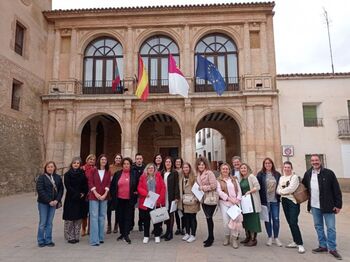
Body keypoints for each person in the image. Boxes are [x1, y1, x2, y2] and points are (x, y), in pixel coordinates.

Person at [302, 154, 343, 260]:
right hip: (315, 206)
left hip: (328, 205)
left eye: (316, 160)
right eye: (312, 160)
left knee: (331, 228)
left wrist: (338, 205)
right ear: (310, 162)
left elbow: (336, 190)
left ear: (320, 161)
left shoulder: (329, 173)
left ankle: (332, 248)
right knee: (318, 226)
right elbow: (303, 187)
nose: (315, 162)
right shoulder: (308, 174)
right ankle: (323, 246)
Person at [276, 161, 305, 254]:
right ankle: (295, 241)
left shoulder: (294, 177)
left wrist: (281, 191)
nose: (286, 169)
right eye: (285, 167)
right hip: (284, 201)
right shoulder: (281, 178)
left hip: (293, 201)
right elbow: (277, 189)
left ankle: (300, 244)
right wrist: (282, 191)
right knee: (290, 222)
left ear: (291, 168)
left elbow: (291, 188)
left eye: (288, 167)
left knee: (293, 222)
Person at [110, 157, 138, 244]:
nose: (126, 165)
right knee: (120, 217)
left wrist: (135, 194)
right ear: (122, 165)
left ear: (130, 165)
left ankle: (126, 234)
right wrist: (113, 197)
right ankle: (122, 233)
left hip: (129, 200)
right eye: (124, 164)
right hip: (119, 199)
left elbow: (137, 185)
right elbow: (113, 186)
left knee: (128, 217)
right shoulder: (117, 174)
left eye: (128, 164)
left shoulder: (134, 174)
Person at [36, 161, 64, 247]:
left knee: (49, 222)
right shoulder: (41, 178)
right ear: (45, 168)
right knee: (43, 222)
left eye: (52, 167)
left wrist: (57, 200)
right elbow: (40, 191)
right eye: (48, 167)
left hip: (54, 203)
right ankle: (41, 240)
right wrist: (49, 201)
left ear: (54, 168)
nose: (50, 168)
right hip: (43, 203)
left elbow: (61, 190)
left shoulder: (58, 177)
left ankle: (48, 240)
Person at [256, 158, 282, 247]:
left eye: (269, 163)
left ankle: (276, 237)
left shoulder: (277, 174)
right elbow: (258, 188)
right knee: (267, 220)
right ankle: (270, 237)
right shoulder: (260, 175)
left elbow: (281, 185)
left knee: (276, 219)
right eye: (266, 163)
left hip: (275, 201)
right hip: (265, 201)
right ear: (264, 165)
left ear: (272, 164)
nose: (268, 165)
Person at [137, 163, 166, 244]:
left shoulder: (158, 176)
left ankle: (157, 235)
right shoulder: (143, 177)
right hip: (146, 202)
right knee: (146, 220)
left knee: (156, 220)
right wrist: (146, 193)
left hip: (156, 201)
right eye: (149, 168)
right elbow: (139, 187)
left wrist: (159, 199)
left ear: (154, 169)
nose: (150, 169)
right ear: (147, 169)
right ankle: (146, 236)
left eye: (152, 168)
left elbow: (163, 187)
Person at [217, 163, 243, 249]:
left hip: (235, 203)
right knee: (226, 221)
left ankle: (234, 239)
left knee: (235, 221)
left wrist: (238, 199)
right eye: (223, 169)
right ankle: (227, 236)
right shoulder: (218, 180)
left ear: (229, 170)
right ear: (220, 170)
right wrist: (228, 198)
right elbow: (219, 192)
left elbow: (239, 190)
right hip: (224, 202)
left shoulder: (234, 179)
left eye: (226, 169)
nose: (225, 170)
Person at [63, 157, 88, 244]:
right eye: (74, 163)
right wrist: (77, 194)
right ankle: (70, 236)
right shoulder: (67, 174)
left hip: (80, 200)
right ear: (71, 164)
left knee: (78, 218)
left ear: (80, 164)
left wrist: (83, 193)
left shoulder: (82, 173)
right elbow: (68, 186)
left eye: (77, 163)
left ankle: (76, 236)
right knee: (70, 218)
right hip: (71, 198)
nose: (76, 164)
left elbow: (85, 185)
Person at [88, 154, 111, 246]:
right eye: (102, 159)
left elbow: (108, 183)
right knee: (94, 217)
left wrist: (105, 194)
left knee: (102, 216)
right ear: (99, 160)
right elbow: (90, 182)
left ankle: (100, 237)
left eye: (105, 160)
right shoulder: (93, 170)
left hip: (104, 196)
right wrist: (96, 193)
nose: (104, 161)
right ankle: (94, 240)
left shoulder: (108, 172)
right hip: (94, 196)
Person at [196, 156, 217, 247]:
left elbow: (214, 185)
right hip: (203, 199)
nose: (201, 166)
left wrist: (203, 188)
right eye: (199, 164)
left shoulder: (209, 173)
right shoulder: (198, 174)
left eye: (203, 164)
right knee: (208, 218)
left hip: (210, 198)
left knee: (209, 218)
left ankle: (211, 238)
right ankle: (210, 237)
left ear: (205, 165)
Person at [239, 163, 261, 247]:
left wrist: (250, 191)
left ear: (248, 169)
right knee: (246, 220)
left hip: (252, 201)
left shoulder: (251, 176)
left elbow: (258, 187)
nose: (243, 170)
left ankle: (253, 239)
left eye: (244, 168)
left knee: (253, 220)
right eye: (241, 168)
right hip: (245, 202)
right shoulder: (242, 179)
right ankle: (247, 237)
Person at [178, 162, 200, 243]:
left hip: (192, 200)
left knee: (192, 218)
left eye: (187, 167)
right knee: (186, 217)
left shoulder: (194, 177)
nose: (185, 169)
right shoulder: (181, 177)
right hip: (184, 200)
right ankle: (187, 233)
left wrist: (196, 199)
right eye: (184, 167)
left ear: (189, 168)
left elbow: (198, 189)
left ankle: (193, 234)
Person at [161, 156, 180, 241]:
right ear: (164, 163)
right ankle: (166, 232)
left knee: (171, 214)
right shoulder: (162, 172)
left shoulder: (174, 173)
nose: (168, 163)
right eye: (166, 162)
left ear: (171, 163)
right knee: (165, 214)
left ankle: (170, 233)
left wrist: (176, 197)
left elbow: (176, 185)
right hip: (163, 196)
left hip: (171, 196)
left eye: (169, 162)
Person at [107, 153, 123, 234]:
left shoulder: (122, 168)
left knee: (118, 208)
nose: (118, 160)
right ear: (114, 159)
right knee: (108, 208)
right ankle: (109, 225)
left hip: (118, 190)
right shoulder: (110, 167)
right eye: (117, 158)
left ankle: (116, 225)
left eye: (119, 158)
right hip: (109, 190)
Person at [81, 154, 96, 236]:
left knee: (92, 212)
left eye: (93, 160)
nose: (91, 161)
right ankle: (83, 228)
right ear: (87, 160)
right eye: (90, 159)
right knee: (84, 212)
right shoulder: (82, 169)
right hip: (85, 192)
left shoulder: (95, 169)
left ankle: (90, 229)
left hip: (93, 192)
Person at [132, 153, 146, 232]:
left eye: (140, 158)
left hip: (142, 192)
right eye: (137, 159)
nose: (139, 160)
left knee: (142, 209)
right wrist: (134, 190)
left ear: (142, 159)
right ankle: (131, 224)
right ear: (135, 159)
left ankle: (141, 224)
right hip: (134, 192)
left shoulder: (145, 168)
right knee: (132, 209)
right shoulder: (132, 168)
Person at [174, 157, 185, 236]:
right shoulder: (173, 171)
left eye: (179, 162)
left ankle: (183, 228)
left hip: (182, 193)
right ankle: (178, 228)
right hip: (175, 193)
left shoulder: (184, 171)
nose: (178, 163)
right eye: (176, 162)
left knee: (183, 212)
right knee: (176, 212)